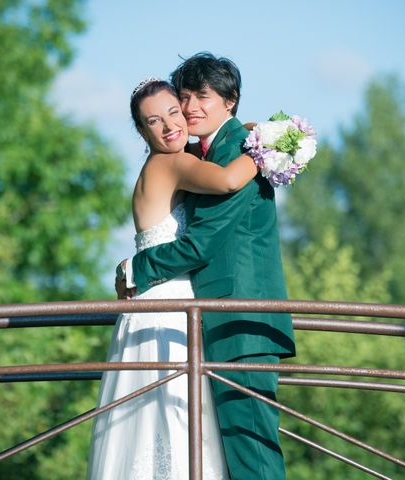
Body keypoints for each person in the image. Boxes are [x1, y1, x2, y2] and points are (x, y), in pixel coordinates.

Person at [117, 53, 296, 480]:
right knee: (214, 446)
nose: (191, 108)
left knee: (251, 449)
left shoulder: (238, 150)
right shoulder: (204, 153)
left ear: (230, 102)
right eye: (186, 98)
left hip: (243, 319)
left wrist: (136, 268)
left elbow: (200, 244)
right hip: (208, 318)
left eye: (203, 97)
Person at [86, 78, 256, 479]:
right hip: (166, 311)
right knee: (176, 416)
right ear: (143, 132)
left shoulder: (159, 165)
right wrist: (272, 144)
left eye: (174, 114)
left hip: (149, 305)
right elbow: (230, 180)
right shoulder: (173, 163)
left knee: (151, 419)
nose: (169, 127)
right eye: (154, 122)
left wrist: (243, 129)